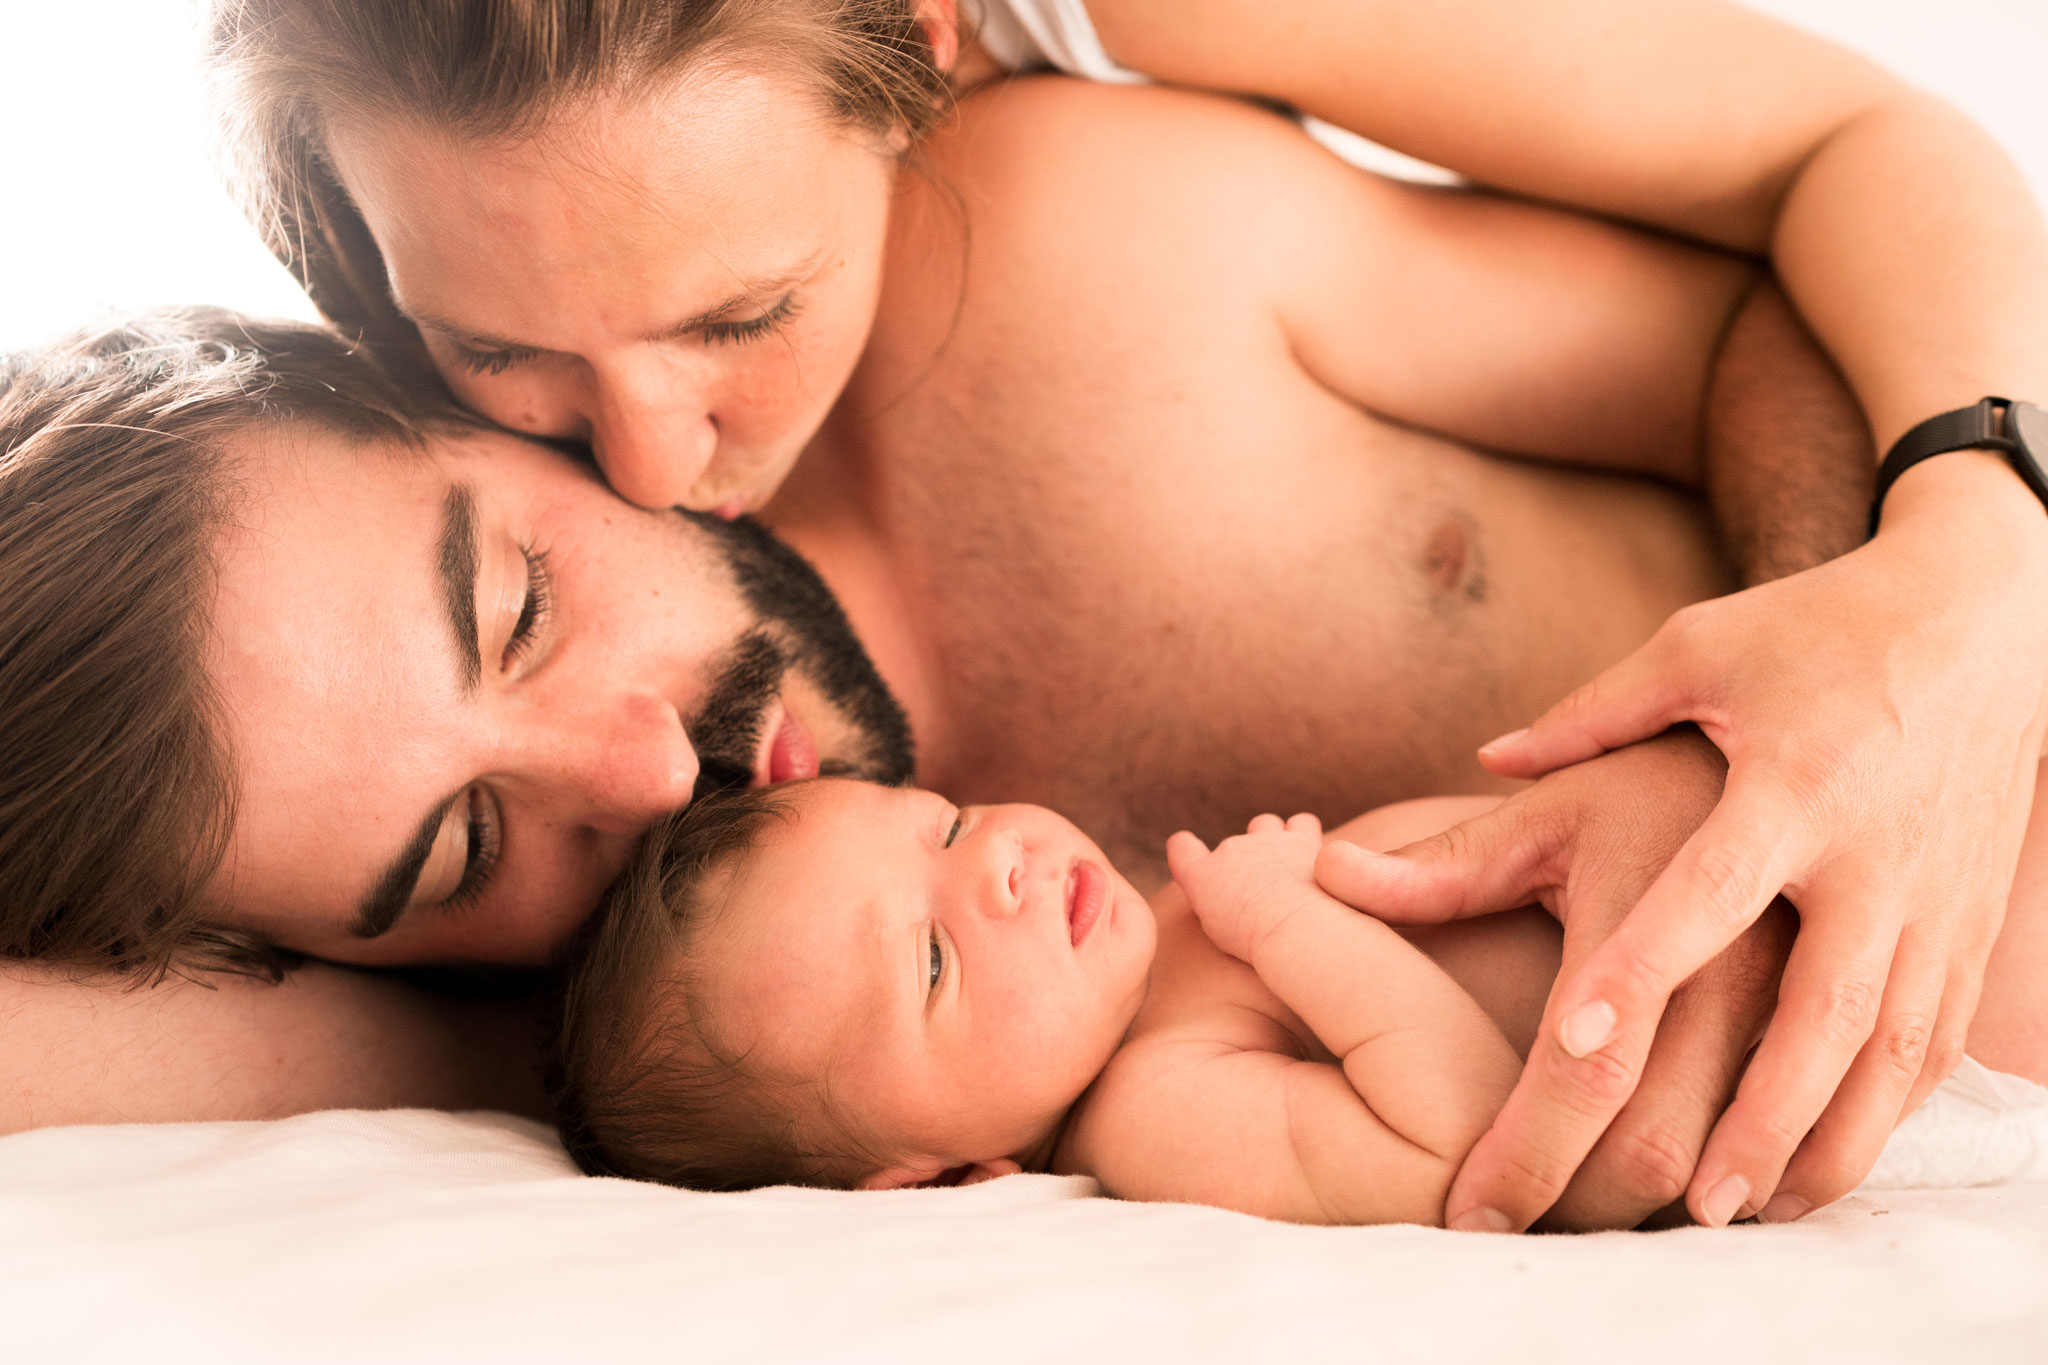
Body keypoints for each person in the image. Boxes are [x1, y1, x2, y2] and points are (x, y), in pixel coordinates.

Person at [0, 72, 2023, 1231]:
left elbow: (1750, 325)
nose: (636, 775)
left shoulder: (1065, 265)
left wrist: (1817, 697)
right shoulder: (692, 1038)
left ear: (474, 393)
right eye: (460, 849)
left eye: (522, 599)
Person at [549, 766, 2047, 1226]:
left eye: (940, 823)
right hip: (1846, 1019)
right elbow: (1459, 1131)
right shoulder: (1152, 1112)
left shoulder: (1145, 946)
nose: (993, 866)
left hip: (1793, 868)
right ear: (936, 1174)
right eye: (932, 961)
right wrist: (1281, 920)